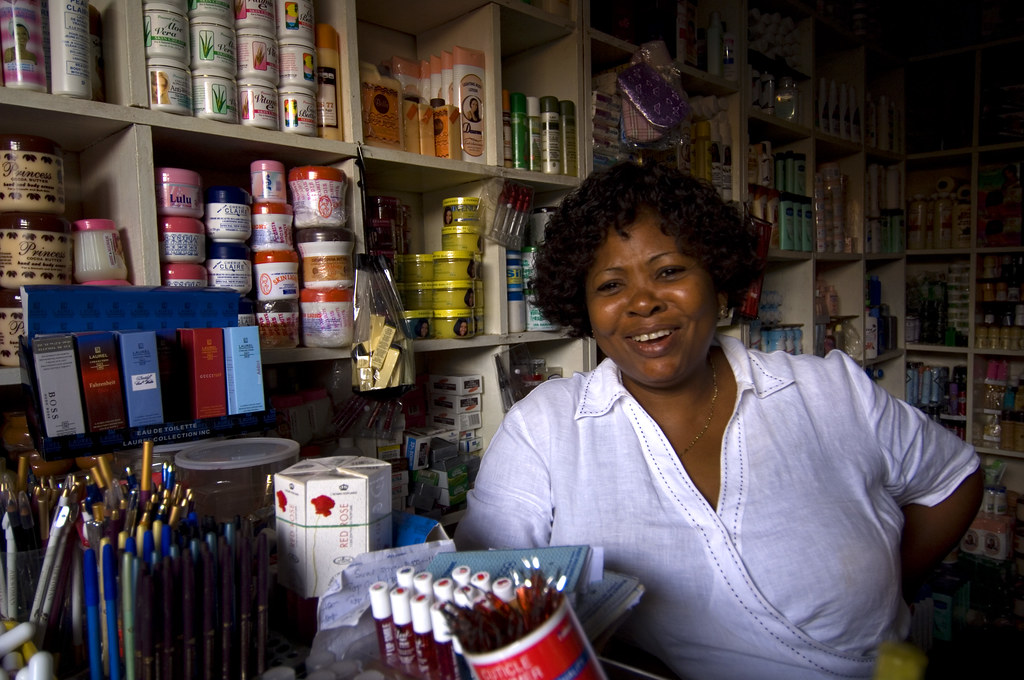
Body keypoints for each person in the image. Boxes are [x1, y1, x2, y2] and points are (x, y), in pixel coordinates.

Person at [455, 161, 982, 679]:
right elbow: (481, 598)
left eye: (669, 271)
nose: (643, 303)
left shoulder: (828, 391)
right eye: (611, 285)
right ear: (584, 308)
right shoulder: (543, 428)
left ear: (719, 282)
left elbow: (954, 478)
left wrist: (889, 588)